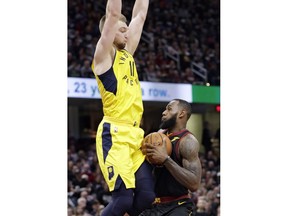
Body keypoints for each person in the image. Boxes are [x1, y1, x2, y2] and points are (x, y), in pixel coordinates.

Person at [90, 0, 155, 215]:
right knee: (123, 200)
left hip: (135, 135)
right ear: (110, 31)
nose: (128, 34)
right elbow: (113, 12)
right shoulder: (104, 56)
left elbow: (141, 14)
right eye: (122, 30)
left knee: (147, 196)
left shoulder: (127, 53)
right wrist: (114, 19)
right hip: (115, 134)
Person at [140, 99, 202, 216]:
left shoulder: (187, 141)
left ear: (181, 114)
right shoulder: (159, 135)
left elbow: (194, 184)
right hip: (154, 205)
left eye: (169, 109)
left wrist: (166, 159)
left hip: (178, 206)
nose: (164, 112)